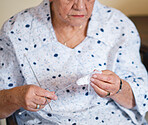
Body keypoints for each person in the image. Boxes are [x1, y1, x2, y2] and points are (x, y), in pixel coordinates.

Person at [0, 0, 148, 124]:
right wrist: (17, 96)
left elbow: (142, 97)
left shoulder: (118, 25)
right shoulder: (16, 30)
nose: (80, 6)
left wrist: (118, 89)